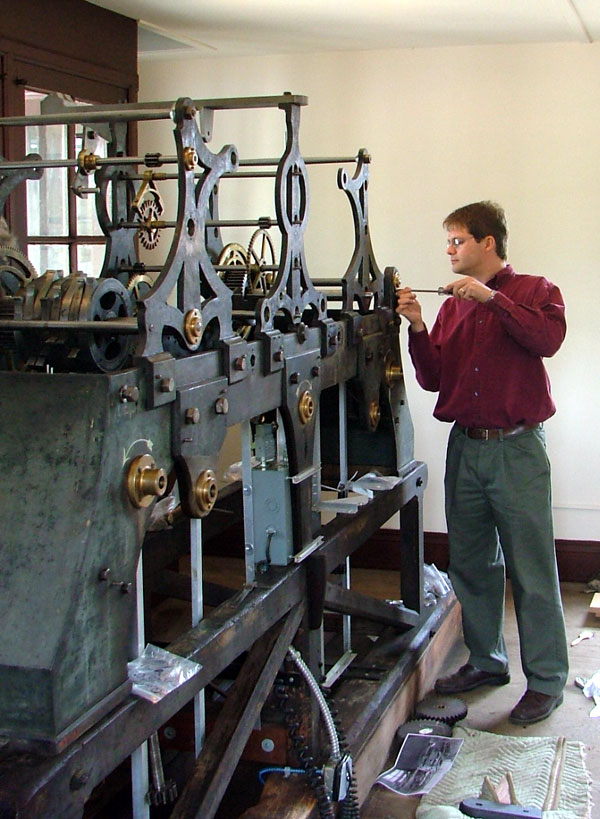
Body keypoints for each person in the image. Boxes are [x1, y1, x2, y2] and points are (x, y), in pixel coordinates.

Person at [396, 201, 569, 726]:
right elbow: (433, 381)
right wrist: (420, 327)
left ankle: (545, 683)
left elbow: (548, 340)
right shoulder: (451, 307)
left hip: (517, 449)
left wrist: (492, 300)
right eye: (447, 242)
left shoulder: (536, 291)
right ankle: (488, 662)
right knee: (472, 564)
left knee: (532, 570)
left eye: (457, 241)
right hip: (465, 448)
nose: (449, 250)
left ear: (487, 242)